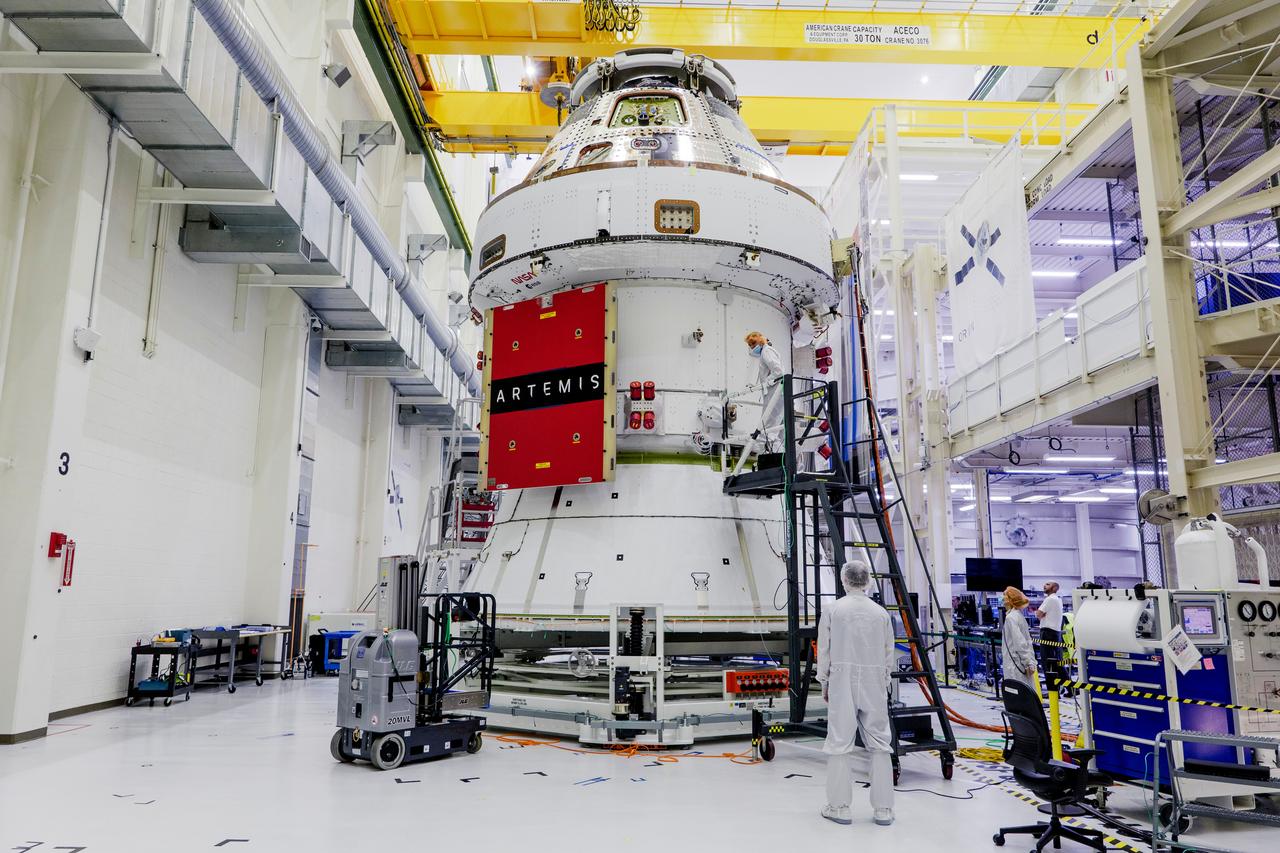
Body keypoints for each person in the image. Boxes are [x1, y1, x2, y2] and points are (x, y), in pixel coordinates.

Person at [817, 561, 896, 827]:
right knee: (880, 742)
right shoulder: (881, 614)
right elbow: (889, 653)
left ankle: (839, 807)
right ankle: (884, 809)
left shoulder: (833, 610)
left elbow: (824, 651)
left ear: (844, 580)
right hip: (875, 679)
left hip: (842, 677)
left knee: (840, 741)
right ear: (868, 581)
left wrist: (824, 681)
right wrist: (884, 682)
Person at [745, 331, 785, 451]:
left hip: (775, 390)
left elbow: (778, 371)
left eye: (752, 345)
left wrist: (766, 382)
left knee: (769, 423)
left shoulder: (766, 351)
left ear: (758, 342)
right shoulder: (765, 352)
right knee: (770, 423)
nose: (751, 348)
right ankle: (773, 448)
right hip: (774, 391)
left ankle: (771, 448)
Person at [1001, 586, 1038, 693]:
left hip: (1016, 664)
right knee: (1025, 691)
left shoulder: (1011, 618)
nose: (1003, 599)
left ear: (1010, 600)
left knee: (1018, 693)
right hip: (1019, 662)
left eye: (1005, 597)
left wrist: (1028, 663)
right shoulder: (1017, 616)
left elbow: (1020, 643)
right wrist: (1029, 661)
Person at [1035, 582, 1064, 690]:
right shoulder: (1057, 599)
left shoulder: (1049, 599)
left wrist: (1040, 614)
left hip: (1047, 633)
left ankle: (1052, 691)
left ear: (1054, 587)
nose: (1044, 585)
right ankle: (1071, 689)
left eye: (1047, 584)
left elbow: (1038, 614)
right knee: (1056, 662)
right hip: (1055, 632)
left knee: (1048, 663)